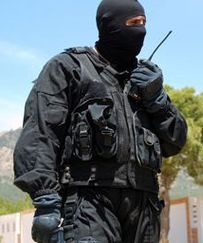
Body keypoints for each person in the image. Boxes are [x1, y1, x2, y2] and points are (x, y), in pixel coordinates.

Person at [13, 0, 187, 242]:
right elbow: (41, 133)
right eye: (133, 23)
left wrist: (158, 100)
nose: (141, 30)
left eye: (144, 23)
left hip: (144, 206)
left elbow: (175, 142)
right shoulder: (70, 67)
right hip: (90, 202)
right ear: (109, 25)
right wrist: (45, 199)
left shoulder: (145, 81)